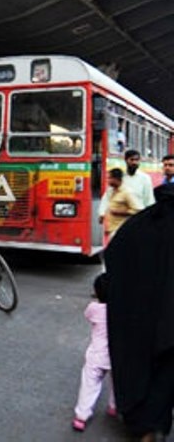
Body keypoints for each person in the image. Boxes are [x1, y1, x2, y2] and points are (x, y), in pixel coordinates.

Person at [105, 182, 174, 441]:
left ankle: (139, 422)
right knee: (165, 375)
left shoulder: (140, 225)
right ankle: (155, 424)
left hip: (137, 317)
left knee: (137, 367)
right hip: (169, 323)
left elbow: (113, 259)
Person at [72, 273, 116, 432]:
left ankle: (81, 417)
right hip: (115, 356)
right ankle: (114, 406)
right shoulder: (120, 311)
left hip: (96, 356)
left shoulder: (93, 308)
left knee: (89, 385)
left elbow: (88, 317)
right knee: (117, 382)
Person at [98, 168, 142, 240]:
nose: (107, 180)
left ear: (116, 179)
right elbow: (107, 204)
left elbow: (138, 211)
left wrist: (121, 212)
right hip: (112, 230)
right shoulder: (110, 191)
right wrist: (103, 216)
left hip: (122, 231)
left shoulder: (127, 192)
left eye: (109, 178)